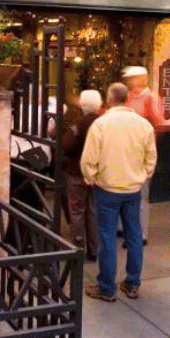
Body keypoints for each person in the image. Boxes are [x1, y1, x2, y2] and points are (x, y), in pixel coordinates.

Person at [80, 82, 156, 302]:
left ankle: (106, 286)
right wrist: (143, 175)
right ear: (127, 98)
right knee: (134, 237)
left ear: (109, 98)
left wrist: (91, 177)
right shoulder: (144, 126)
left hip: (107, 188)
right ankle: (132, 283)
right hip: (133, 189)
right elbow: (151, 158)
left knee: (107, 238)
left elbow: (88, 159)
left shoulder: (100, 125)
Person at [122, 65, 163, 244]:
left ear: (140, 78)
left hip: (142, 150)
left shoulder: (150, 98)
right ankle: (123, 228)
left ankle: (140, 233)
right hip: (126, 148)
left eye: (131, 78)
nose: (128, 82)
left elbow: (159, 122)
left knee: (140, 192)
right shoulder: (130, 96)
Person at [62, 89, 102, 261]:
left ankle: (78, 248)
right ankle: (94, 250)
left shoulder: (78, 124)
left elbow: (66, 145)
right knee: (93, 211)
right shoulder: (103, 123)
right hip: (97, 173)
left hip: (76, 172)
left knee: (77, 211)